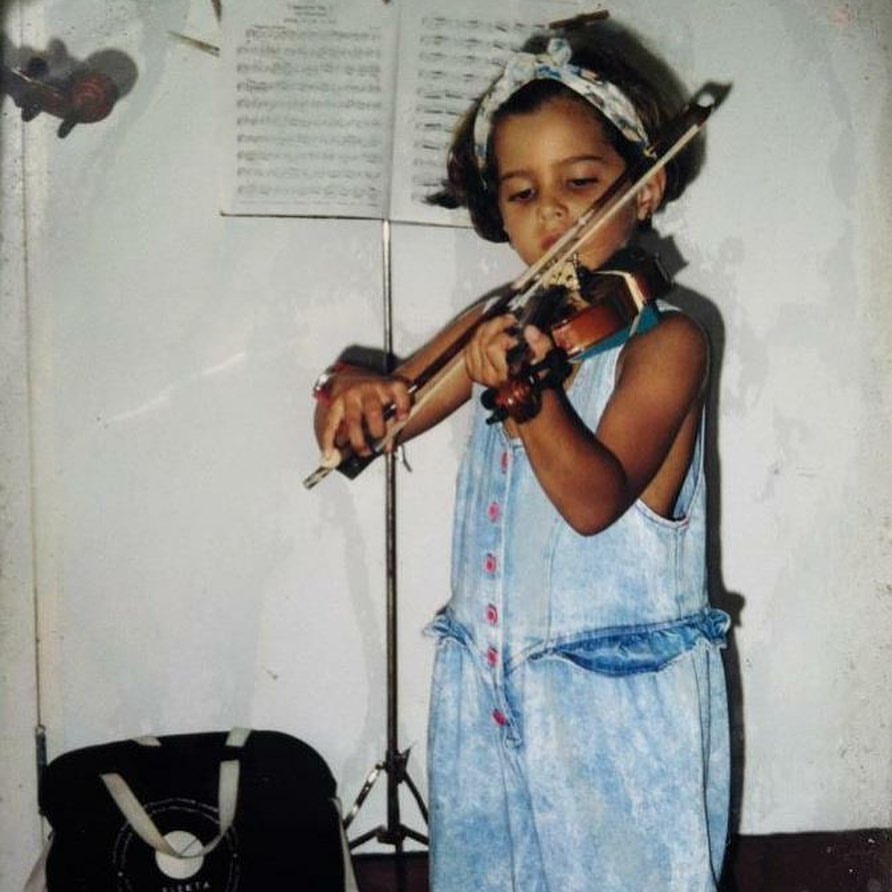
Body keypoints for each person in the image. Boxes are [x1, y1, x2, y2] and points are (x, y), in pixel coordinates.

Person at [313, 20, 730, 891]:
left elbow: (592, 502)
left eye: (582, 182)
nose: (552, 214)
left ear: (644, 190)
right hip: (493, 697)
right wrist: (350, 385)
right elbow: (387, 419)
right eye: (520, 192)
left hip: (612, 716)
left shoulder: (669, 342)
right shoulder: (504, 320)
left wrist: (521, 399)